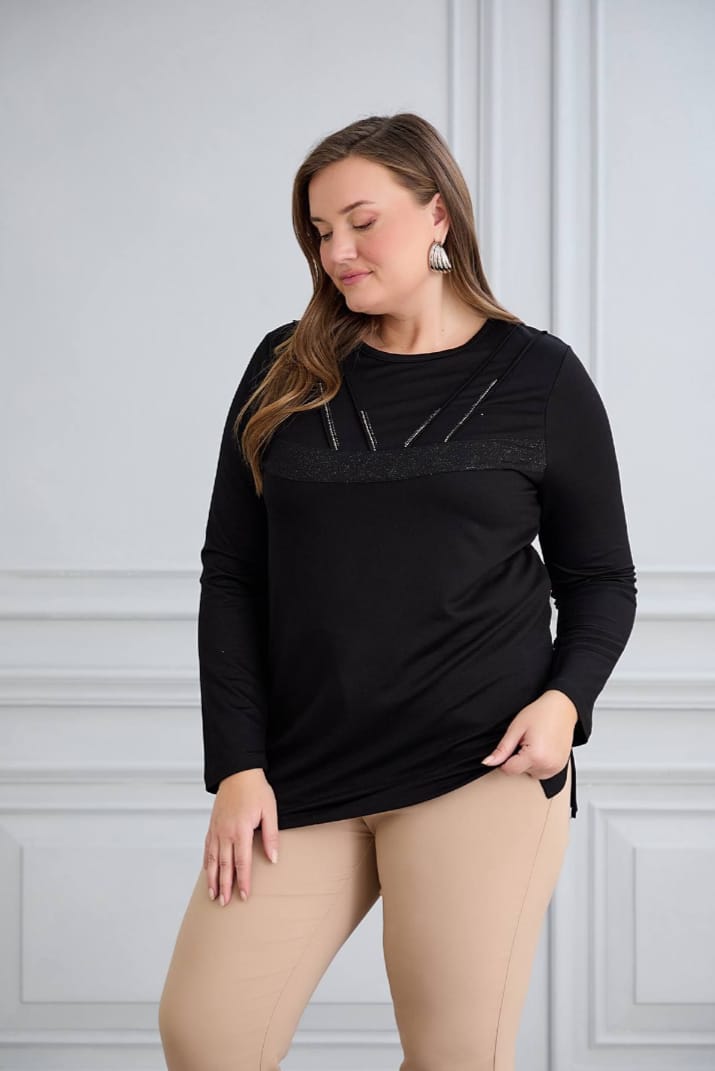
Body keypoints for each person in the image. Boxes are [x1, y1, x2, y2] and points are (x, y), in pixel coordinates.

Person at [158, 112, 637, 1071]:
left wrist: (562, 702)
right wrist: (237, 766)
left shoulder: (539, 376)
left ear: (437, 215)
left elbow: (600, 579)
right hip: (300, 769)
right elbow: (233, 575)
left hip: (479, 767)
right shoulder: (283, 369)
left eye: (361, 222)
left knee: (454, 1056)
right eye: (318, 231)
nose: (336, 251)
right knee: (208, 1035)